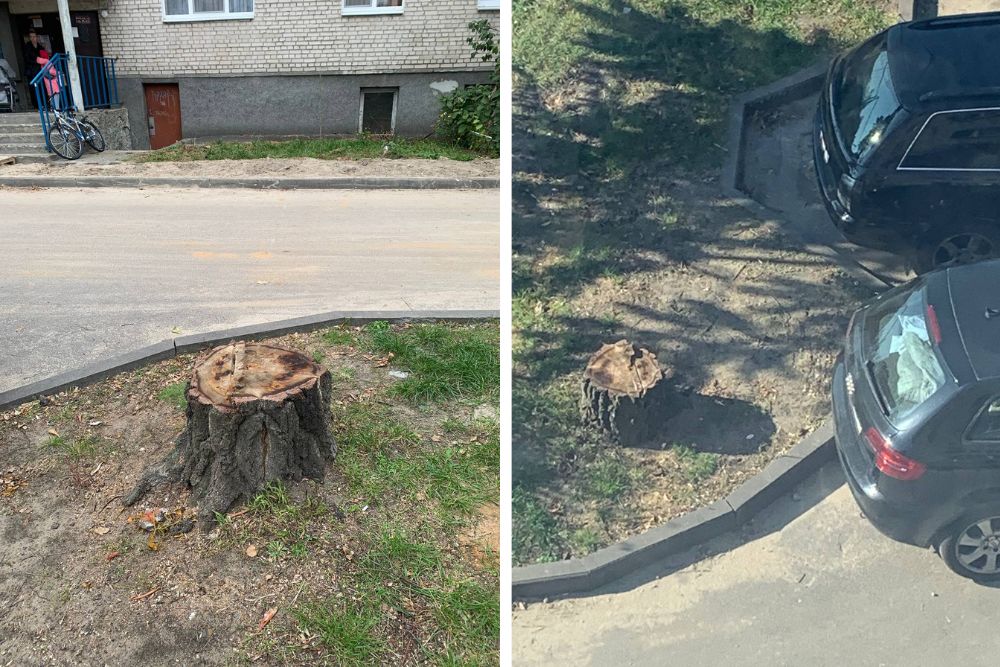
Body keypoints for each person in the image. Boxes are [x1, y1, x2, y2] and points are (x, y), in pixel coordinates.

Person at [21, 28, 44, 109]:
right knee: (34, 88)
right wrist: (37, 61)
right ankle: (36, 105)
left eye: (34, 36)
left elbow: (43, 55)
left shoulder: (40, 46)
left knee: (41, 87)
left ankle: (43, 103)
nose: (33, 38)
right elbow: (27, 58)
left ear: (37, 37)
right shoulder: (27, 46)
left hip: (40, 70)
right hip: (31, 71)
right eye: (31, 37)